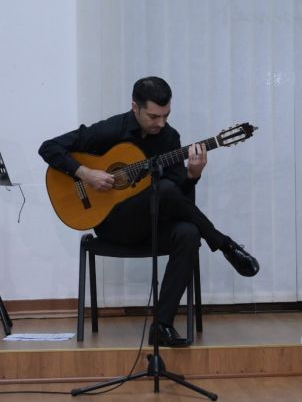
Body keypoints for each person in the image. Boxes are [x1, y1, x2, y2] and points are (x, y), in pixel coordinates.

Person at [39, 76, 259, 347]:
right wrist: (86, 174)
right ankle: (224, 243)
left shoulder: (170, 138)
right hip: (113, 226)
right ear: (135, 107)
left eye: (166, 115)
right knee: (164, 188)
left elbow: (181, 203)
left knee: (188, 232)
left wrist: (193, 175)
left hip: (154, 224)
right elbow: (49, 147)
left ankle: (162, 326)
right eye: (154, 116)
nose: (161, 124)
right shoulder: (111, 130)